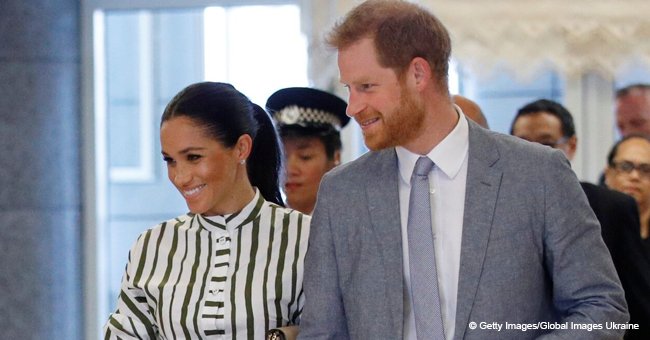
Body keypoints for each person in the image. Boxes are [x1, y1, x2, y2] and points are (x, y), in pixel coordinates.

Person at [299, 1, 628, 339]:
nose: (353, 107)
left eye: (366, 87)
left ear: (418, 74)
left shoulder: (538, 174)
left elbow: (603, 309)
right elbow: (321, 332)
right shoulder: (342, 192)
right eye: (349, 88)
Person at [104, 82, 310, 339]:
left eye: (193, 157)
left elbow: (333, 330)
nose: (180, 177)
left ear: (241, 148)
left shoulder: (305, 237)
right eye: (170, 160)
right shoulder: (152, 246)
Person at [511, 99, 650, 339]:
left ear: (571, 145)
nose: (532, 153)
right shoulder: (498, 204)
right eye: (522, 143)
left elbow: (635, 304)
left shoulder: (611, 206)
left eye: (546, 144)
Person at [266, 87, 349, 214]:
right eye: (282, 157)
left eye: (305, 157)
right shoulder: (265, 226)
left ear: (335, 158)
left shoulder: (355, 221)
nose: (289, 170)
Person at [605, 135, 650, 246]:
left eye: (646, 169)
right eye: (625, 167)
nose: (635, 176)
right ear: (608, 174)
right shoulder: (591, 227)